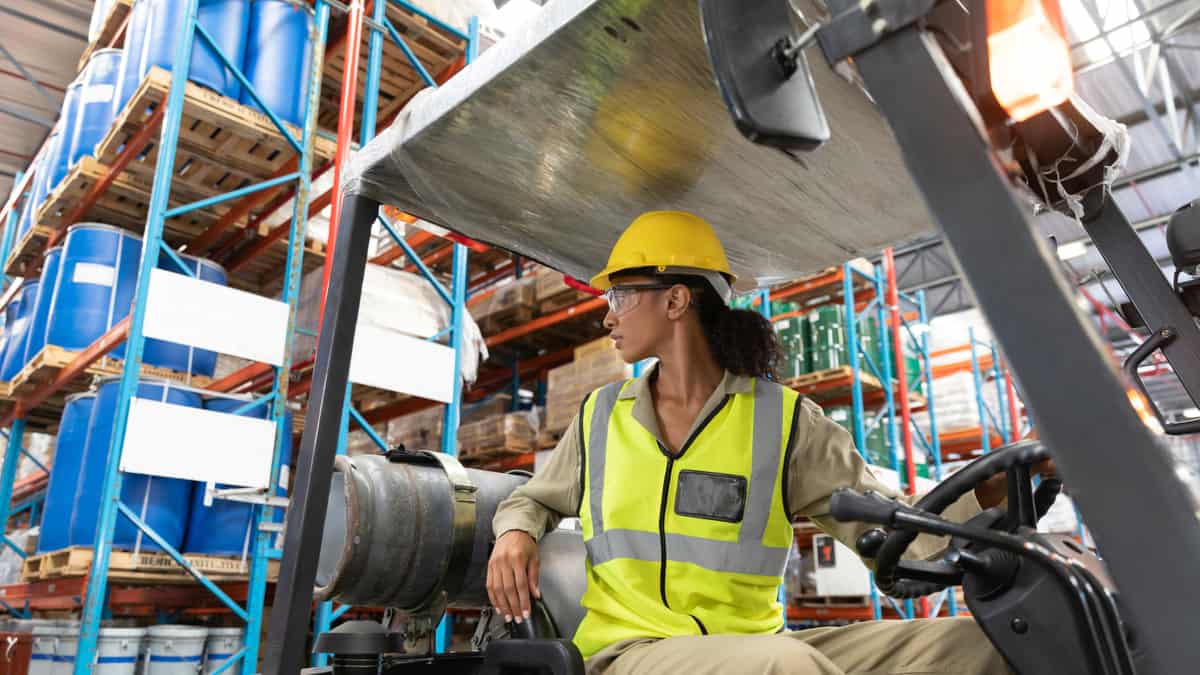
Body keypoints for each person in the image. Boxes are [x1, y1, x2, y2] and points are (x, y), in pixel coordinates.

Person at [487, 211, 1021, 674]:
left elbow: (893, 533)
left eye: (621, 295)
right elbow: (533, 498)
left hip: (755, 649)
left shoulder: (787, 423)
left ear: (675, 300)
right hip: (632, 652)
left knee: (981, 645)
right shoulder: (600, 416)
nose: (608, 314)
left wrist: (992, 493)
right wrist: (515, 534)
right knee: (782, 667)